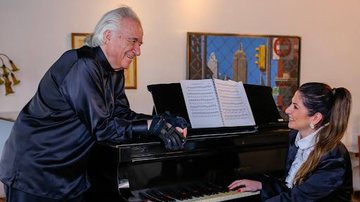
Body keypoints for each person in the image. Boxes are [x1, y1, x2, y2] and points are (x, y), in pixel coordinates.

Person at [0, 6, 188, 202]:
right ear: (108, 36)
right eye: (133, 41)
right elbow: (103, 128)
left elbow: (123, 114)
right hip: (35, 171)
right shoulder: (82, 65)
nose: (138, 51)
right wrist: (153, 126)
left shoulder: (115, 72)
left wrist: (161, 121)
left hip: (72, 175)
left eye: (140, 44)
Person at [228, 82, 353, 201]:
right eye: (291, 104)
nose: (287, 110)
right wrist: (261, 185)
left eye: (295, 106)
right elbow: (290, 189)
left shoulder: (334, 157)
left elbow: (297, 198)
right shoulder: (295, 138)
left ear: (315, 118)